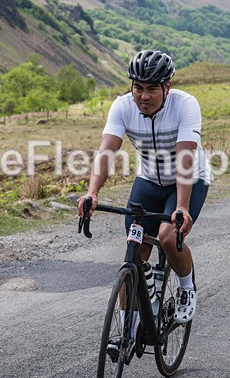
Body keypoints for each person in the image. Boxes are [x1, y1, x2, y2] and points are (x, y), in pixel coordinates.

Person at [77, 50, 211, 324]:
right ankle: (127, 327)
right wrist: (92, 192)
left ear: (167, 87)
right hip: (149, 180)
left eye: (152, 89)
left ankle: (186, 287)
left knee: (168, 237)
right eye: (138, 88)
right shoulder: (123, 107)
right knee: (135, 250)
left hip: (188, 180)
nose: (144, 96)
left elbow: (186, 157)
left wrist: (182, 207)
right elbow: (106, 151)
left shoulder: (185, 105)